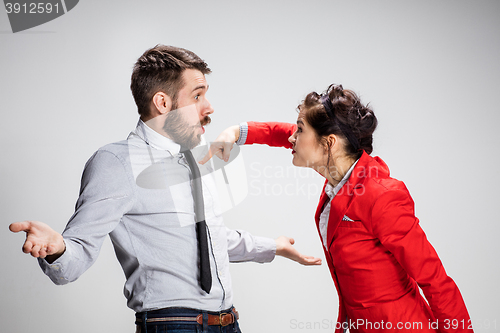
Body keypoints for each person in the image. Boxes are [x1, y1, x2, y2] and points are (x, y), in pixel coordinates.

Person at [9, 45, 321, 333]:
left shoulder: (194, 159)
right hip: (174, 325)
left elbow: (208, 240)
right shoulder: (116, 162)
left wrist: (273, 246)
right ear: (162, 102)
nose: (208, 107)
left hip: (228, 322)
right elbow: (73, 261)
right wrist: (57, 249)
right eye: (197, 96)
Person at [203, 84, 473, 332]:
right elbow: (282, 133)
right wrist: (236, 133)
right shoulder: (339, 173)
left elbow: (435, 280)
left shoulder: (381, 193)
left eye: (299, 130)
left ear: (329, 142)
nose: (292, 138)